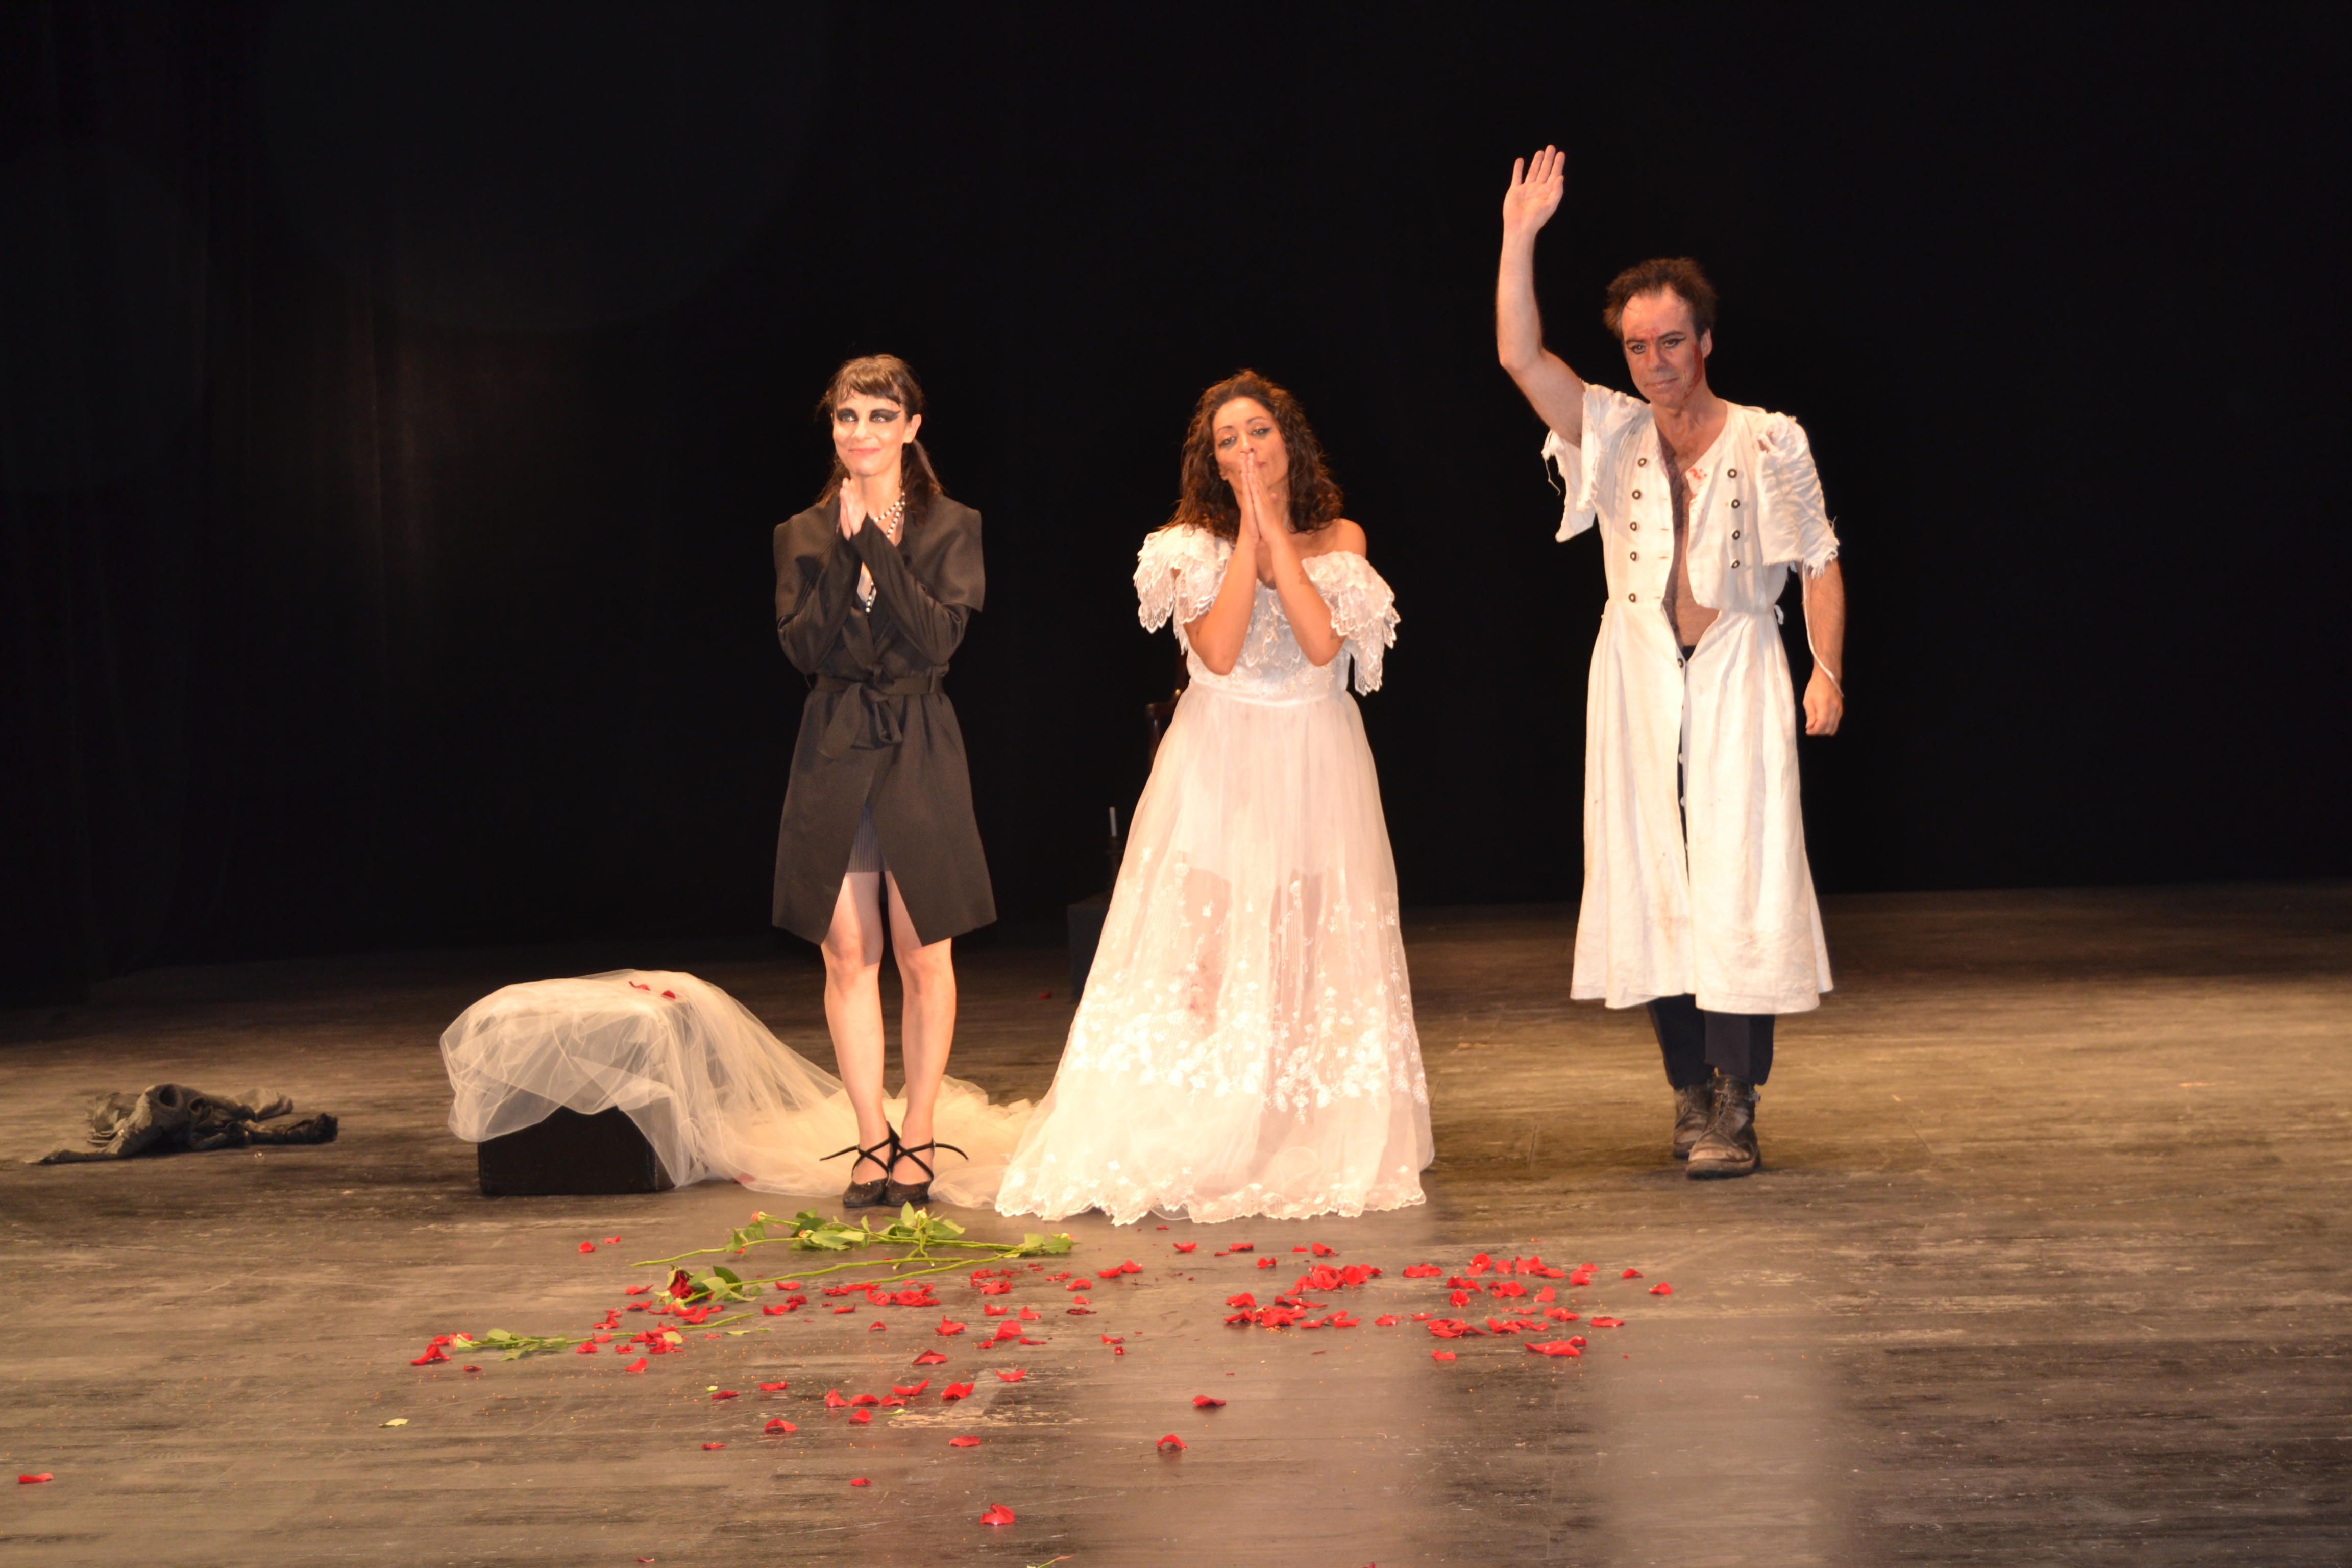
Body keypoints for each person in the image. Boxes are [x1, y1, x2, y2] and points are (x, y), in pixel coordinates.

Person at [996, 371, 1432, 1226]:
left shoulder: (1340, 536)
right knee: (1211, 949)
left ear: (1288, 441)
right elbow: (1223, 651)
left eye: (1258, 432)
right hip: (1221, 756)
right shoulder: (1185, 547)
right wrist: (1247, 535)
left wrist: (1277, 532)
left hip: (1315, 757)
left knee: (1310, 945)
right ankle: (1208, 1118)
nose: (1246, 448)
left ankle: (1292, 1125)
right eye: (1228, 440)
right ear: (1212, 461)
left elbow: (1319, 644)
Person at [1494, 148, 1847, 1179]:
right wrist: (1519, 235)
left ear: (1705, 341)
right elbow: (1520, 357)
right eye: (1638, 346)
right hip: (1639, 672)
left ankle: (1739, 1099)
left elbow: (1819, 560)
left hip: (1738, 661)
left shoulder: (1769, 440)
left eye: (1672, 342)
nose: (1655, 361)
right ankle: (1689, 1090)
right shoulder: (1609, 430)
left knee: (1741, 872)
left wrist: (1826, 669)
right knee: (1654, 868)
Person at [771, 353, 1014, 1207]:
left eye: (880, 416)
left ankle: (920, 1132)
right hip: (834, 743)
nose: (862, 432)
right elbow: (804, 648)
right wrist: (845, 551)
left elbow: (938, 639)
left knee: (922, 951)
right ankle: (871, 1135)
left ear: (911, 427)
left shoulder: (952, 525)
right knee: (848, 953)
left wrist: (873, 539)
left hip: (918, 741)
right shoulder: (801, 533)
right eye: (848, 416)